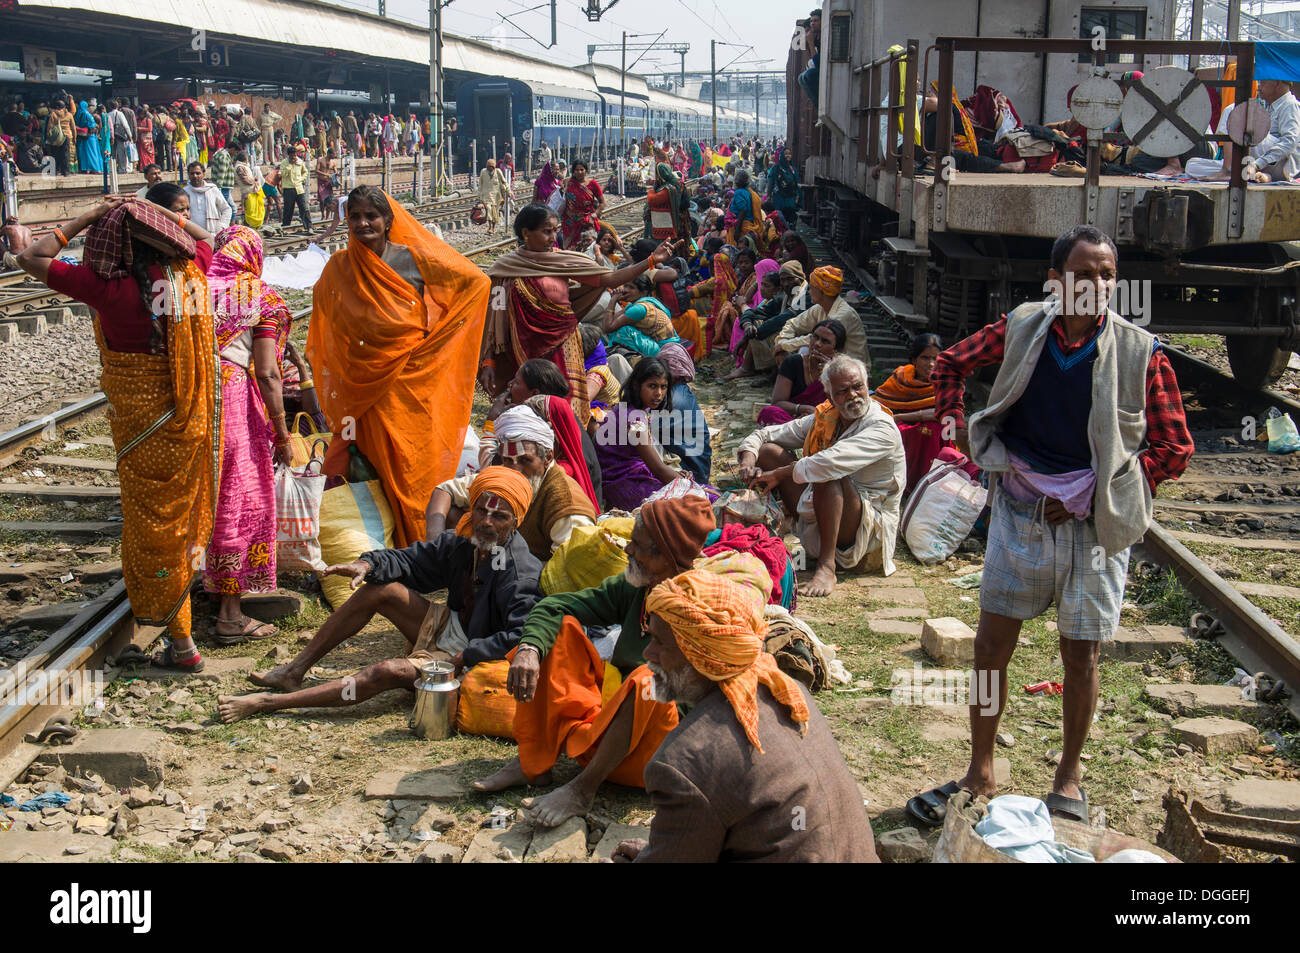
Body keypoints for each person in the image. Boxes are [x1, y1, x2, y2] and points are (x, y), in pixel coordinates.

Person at [907, 225, 1193, 828]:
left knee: (1080, 654)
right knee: (989, 648)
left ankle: (1068, 776)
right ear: (1056, 279)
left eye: (1108, 274)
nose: (1098, 285)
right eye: (1084, 273)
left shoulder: (1142, 352)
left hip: (1094, 530)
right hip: (1019, 509)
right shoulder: (1022, 327)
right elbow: (953, 365)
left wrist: (1094, 491)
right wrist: (955, 424)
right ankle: (980, 769)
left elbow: (1174, 448)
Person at [16, 193, 219, 673]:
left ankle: (182, 640)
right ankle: (181, 626)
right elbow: (209, 239)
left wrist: (87, 216)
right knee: (179, 521)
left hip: (139, 427)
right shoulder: (190, 278)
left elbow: (29, 257)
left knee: (151, 525)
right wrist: (163, 215)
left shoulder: (105, 288)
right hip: (186, 422)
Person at [219, 467, 543, 722]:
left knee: (386, 672)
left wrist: (467, 656)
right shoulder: (463, 541)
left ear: (516, 521)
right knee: (381, 587)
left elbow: (522, 635)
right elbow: (412, 559)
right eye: (481, 510)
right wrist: (367, 563)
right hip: (454, 627)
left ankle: (270, 703)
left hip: (476, 657)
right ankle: (292, 671)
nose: (486, 521)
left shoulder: (520, 571)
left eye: (499, 516)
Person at [473, 497, 716, 827]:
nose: (627, 550)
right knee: (557, 632)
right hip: (605, 730)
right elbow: (554, 606)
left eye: (637, 545)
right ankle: (534, 760)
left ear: (664, 554)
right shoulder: (637, 587)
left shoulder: (701, 608)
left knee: (649, 680)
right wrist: (529, 648)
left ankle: (582, 791)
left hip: (657, 753)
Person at [610, 569, 879, 862]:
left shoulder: (685, 761)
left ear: (701, 654)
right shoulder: (790, 691)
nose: (648, 653)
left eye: (660, 643)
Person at [309, 186, 490, 548]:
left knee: (411, 459)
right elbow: (327, 322)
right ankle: (377, 539)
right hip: (363, 382)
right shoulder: (339, 266)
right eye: (355, 216)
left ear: (389, 221)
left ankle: (419, 539)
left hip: (409, 379)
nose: (363, 223)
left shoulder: (412, 259)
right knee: (369, 459)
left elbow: (476, 283)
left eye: (371, 216)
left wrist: (433, 347)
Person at [480, 204, 674, 428]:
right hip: (523, 352)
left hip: (565, 348)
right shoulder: (504, 269)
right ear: (526, 232)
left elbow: (610, 279)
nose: (554, 238)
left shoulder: (563, 261)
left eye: (555, 230)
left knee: (569, 408)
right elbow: (495, 318)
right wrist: (489, 361)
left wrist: (650, 261)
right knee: (530, 410)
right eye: (547, 231)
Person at [738, 354, 906, 597]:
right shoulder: (827, 416)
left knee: (826, 472)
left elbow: (829, 462)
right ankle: (783, 535)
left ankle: (827, 567)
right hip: (821, 511)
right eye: (843, 391)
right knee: (769, 452)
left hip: (865, 532)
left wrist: (780, 473)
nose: (853, 395)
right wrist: (748, 460)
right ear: (829, 396)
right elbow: (769, 434)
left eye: (858, 386)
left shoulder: (881, 427)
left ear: (867, 385)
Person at [203, 225, 294, 643]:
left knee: (202, 499)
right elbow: (268, 372)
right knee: (237, 499)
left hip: (188, 401)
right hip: (234, 402)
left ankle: (180, 604)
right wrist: (282, 433)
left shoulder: (191, 290)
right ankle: (230, 614)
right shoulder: (261, 297)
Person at [428, 404, 596, 562]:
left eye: (525, 460)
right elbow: (444, 490)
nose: (515, 470)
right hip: (502, 563)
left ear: (548, 458)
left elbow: (568, 566)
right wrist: (434, 546)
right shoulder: (504, 475)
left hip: (533, 580)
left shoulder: (566, 503)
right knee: (453, 513)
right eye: (508, 460)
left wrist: (514, 572)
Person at [592, 357, 692, 510]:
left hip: (625, 477)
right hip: (622, 484)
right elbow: (658, 469)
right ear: (637, 386)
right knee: (698, 499)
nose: (659, 393)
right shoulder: (635, 421)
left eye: (663, 387)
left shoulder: (630, 409)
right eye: (652, 386)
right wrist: (689, 486)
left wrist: (677, 476)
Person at [872, 332, 950, 492]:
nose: (930, 364)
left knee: (930, 431)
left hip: (935, 431)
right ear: (914, 359)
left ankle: (926, 484)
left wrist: (900, 416)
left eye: (935, 359)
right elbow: (878, 402)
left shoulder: (947, 382)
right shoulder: (900, 378)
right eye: (925, 358)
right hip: (900, 425)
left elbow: (941, 413)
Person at [758, 318, 846, 426]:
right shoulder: (793, 362)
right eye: (815, 337)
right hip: (793, 419)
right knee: (769, 412)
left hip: (822, 422)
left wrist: (830, 373)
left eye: (825, 341)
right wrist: (801, 408)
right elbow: (777, 402)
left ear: (836, 350)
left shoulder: (840, 371)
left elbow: (841, 408)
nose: (817, 344)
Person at [773, 265, 867, 366]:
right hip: (831, 362)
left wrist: (784, 345)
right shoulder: (820, 308)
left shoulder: (843, 315)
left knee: (804, 351)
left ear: (822, 291)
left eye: (812, 288)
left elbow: (814, 340)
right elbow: (793, 323)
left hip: (850, 367)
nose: (809, 291)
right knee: (793, 351)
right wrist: (782, 342)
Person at [656, 342, 712, 485]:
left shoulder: (676, 398)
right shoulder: (679, 391)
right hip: (695, 466)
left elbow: (653, 431)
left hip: (690, 472)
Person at [1245, 76, 1300, 183]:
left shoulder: (1290, 106)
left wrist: (1257, 164)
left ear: (1278, 84)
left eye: (1263, 83)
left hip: (1284, 166)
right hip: (1270, 164)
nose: (1259, 87)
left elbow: (1289, 142)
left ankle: (1229, 170)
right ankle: (1265, 175)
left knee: (1236, 113)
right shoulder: (1271, 107)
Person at [560, 159, 605, 249]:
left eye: (582, 170)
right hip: (570, 222)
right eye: (576, 170)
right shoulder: (568, 182)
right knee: (570, 248)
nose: (579, 172)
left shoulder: (593, 184)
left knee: (589, 246)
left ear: (586, 170)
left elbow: (602, 203)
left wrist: (594, 215)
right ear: (573, 171)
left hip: (587, 221)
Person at [644, 162, 691, 243]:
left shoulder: (668, 189)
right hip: (668, 224)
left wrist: (651, 191)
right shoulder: (672, 185)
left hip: (665, 227)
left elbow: (652, 200)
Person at [184, 162, 234, 235]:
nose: (195, 176)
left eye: (198, 173)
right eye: (192, 173)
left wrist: (222, 225)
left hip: (212, 234)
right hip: (191, 234)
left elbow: (226, 209)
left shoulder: (212, 189)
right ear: (188, 175)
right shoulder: (185, 192)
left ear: (204, 174)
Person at [725, 169, 764, 246]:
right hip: (747, 224)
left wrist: (737, 230)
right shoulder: (747, 192)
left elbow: (743, 210)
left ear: (735, 181)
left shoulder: (739, 192)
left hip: (742, 226)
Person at [279, 145, 311, 230]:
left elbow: (305, 172)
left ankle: (308, 227)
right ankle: (286, 227)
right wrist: (290, 165)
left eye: (295, 155)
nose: (294, 157)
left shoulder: (300, 161)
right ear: (288, 155)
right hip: (288, 189)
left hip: (299, 188)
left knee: (304, 208)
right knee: (288, 209)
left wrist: (301, 179)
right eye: (292, 155)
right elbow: (283, 174)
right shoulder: (284, 163)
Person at [43, 98, 73, 176]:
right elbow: (73, 127)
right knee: (65, 154)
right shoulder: (69, 115)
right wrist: (74, 138)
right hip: (66, 136)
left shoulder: (53, 114)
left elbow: (49, 126)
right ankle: (65, 171)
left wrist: (48, 136)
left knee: (55, 154)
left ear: (56, 107)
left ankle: (55, 171)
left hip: (56, 137)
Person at [478, 158, 508, 235]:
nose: (490, 168)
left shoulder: (498, 172)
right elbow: (480, 184)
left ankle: (493, 228)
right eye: (488, 167)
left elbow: (504, 182)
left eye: (491, 167)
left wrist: (509, 191)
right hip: (486, 196)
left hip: (497, 197)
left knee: (495, 213)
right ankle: (490, 227)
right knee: (488, 209)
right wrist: (479, 195)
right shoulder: (483, 172)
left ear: (494, 167)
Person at [74, 100, 103, 175]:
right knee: (92, 153)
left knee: (83, 153)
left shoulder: (77, 114)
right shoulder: (88, 114)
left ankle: (86, 169)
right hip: (90, 137)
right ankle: (95, 169)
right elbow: (92, 125)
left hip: (80, 136)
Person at [208, 142, 236, 213]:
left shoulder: (220, 153)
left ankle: (231, 223)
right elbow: (221, 173)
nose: (236, 154)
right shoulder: (224, 157)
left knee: (232, 208)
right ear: (232, 149)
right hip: (223, 187)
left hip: (223, 187)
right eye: (236, 152)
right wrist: (219, 189)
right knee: (225, 209)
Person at [314, 147, 337, 219]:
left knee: (329, 200)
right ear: (329, 154)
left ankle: (327, 217)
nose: (334, 156)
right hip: (321, 181)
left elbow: (336, 171)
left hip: (328, 183)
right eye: (333, 154)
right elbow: (316, 171)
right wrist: (326, 174)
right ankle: (323, 215)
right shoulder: (320, 160)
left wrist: (336, 174)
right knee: (321, 200)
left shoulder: (333, 162)